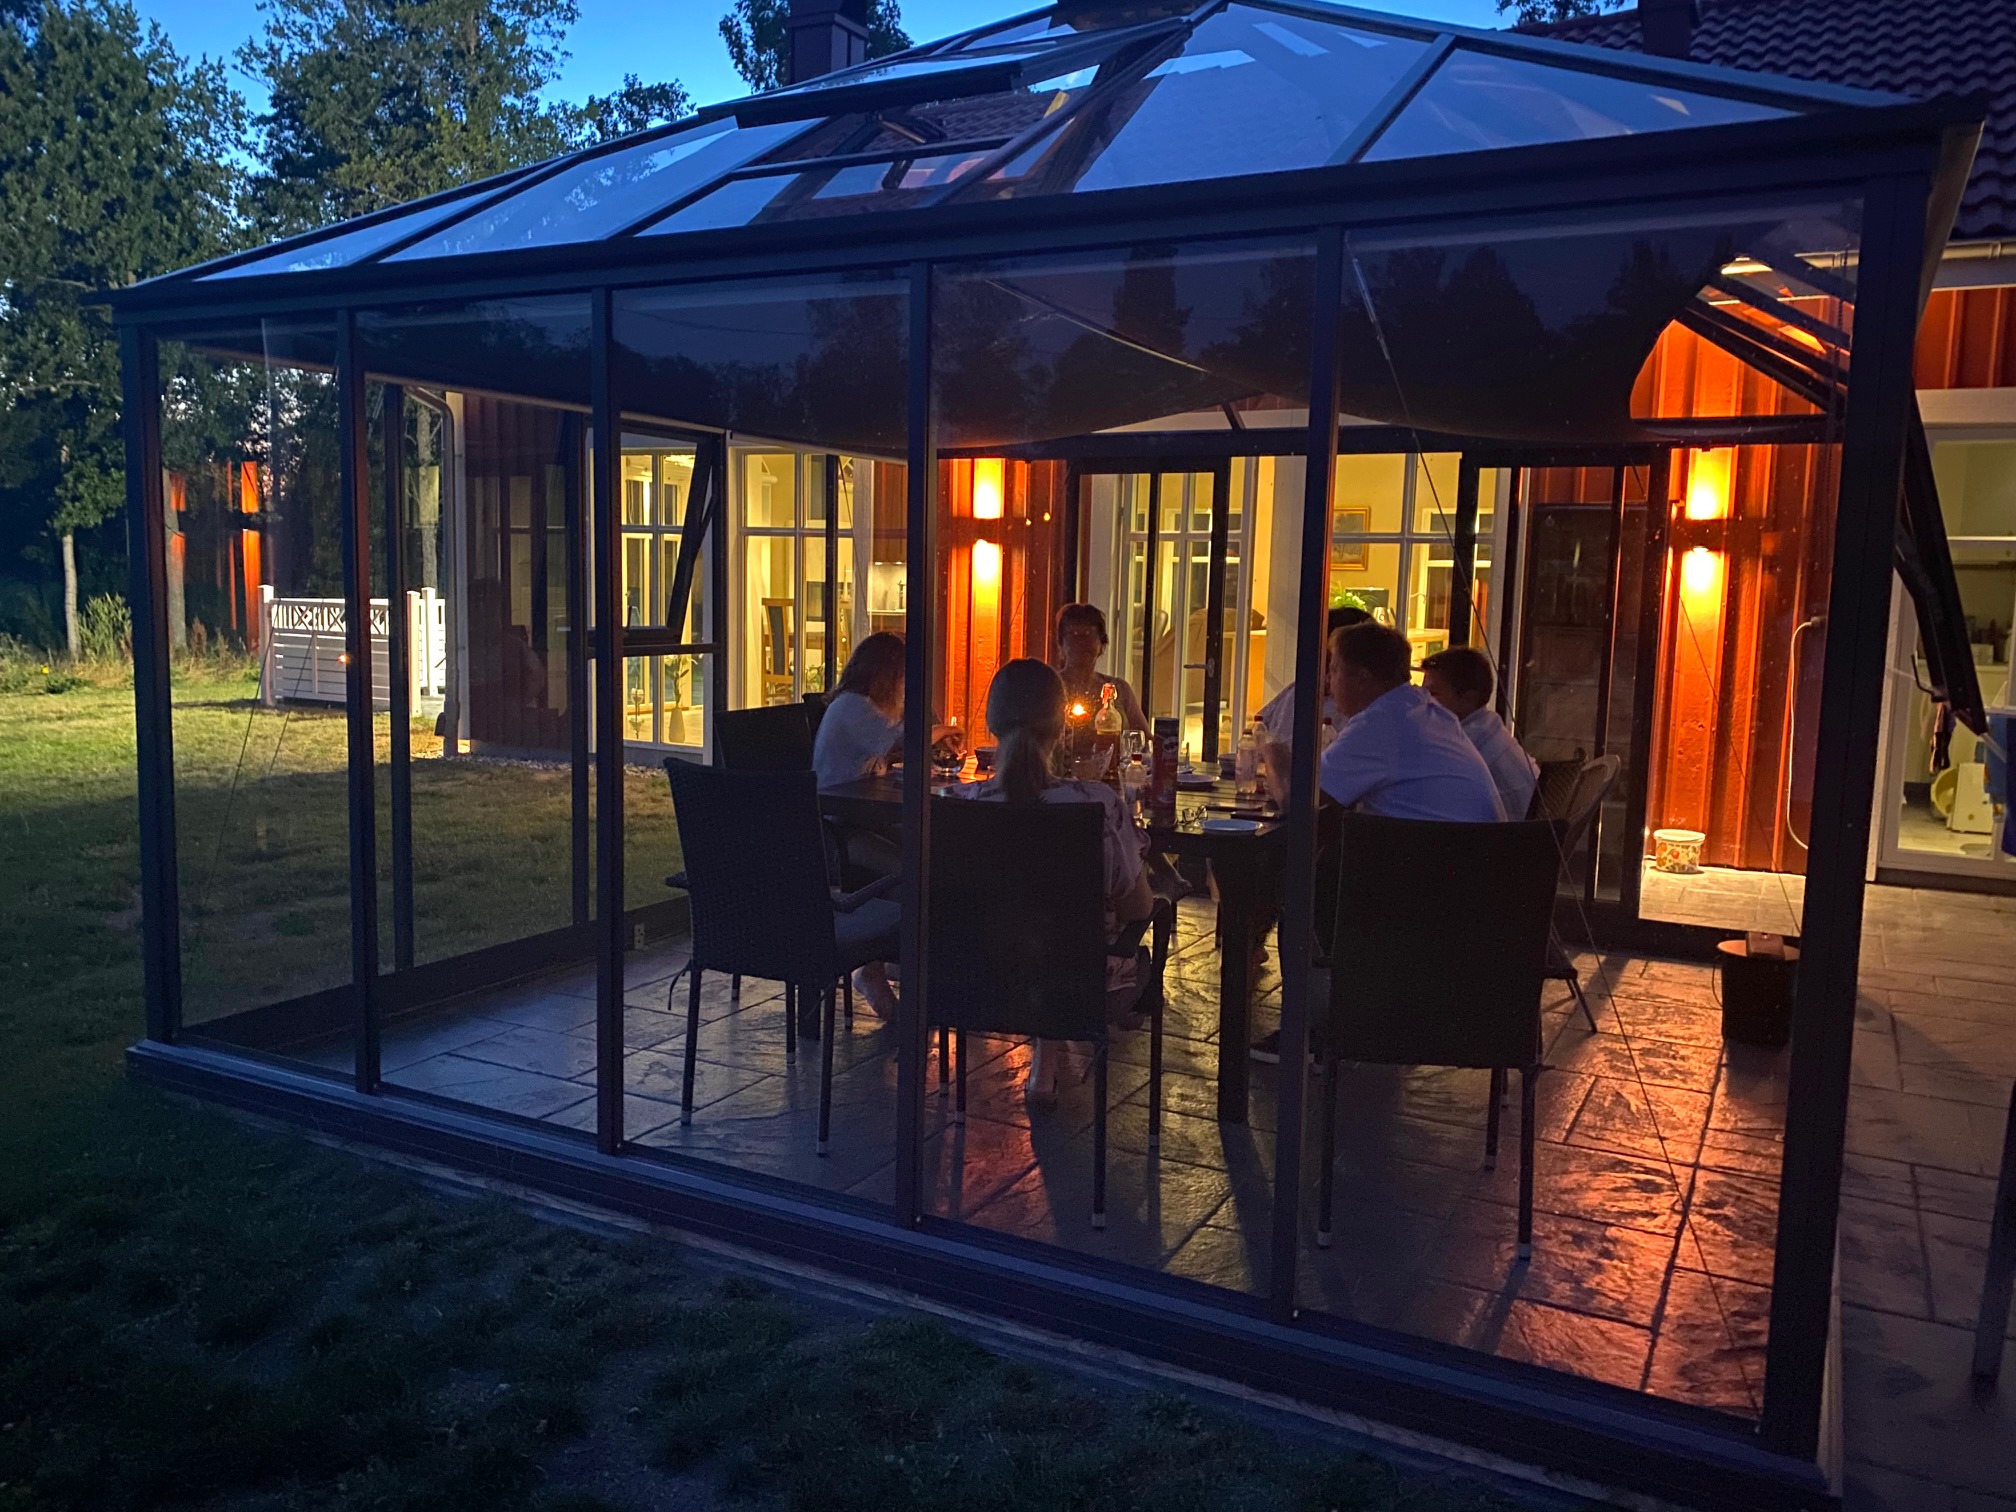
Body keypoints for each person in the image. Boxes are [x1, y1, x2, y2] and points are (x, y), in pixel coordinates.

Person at [1250, 622, 1501, 1064]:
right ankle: (1347, 1015)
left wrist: (1268, 746)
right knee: (1315, 864)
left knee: (1299, 886)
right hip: (1475, 881)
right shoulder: (1420, 709)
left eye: (1334, 670)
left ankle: (1306, 1035)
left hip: (1436, 900)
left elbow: (1297, 800)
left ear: (1362, 677)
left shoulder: (1382, 724)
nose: (1328, 682)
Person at [950, 659, 1156, 1105]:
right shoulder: (1096, 805)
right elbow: (1138, 908)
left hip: (983, 975)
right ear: (1061, 726)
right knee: (1078, 944)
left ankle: (1046, 1059)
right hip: (1081, 983)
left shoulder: (961, 805)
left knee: (1035, 936)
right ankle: (1049, 1056)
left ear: (991, 725)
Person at [1421, 645, 1540, 821]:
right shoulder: (1490, 729)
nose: (1424, 701)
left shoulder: (1465, 744)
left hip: (1505, 835)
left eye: (1433, 693)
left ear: (1469, 698)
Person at [812, 632, 906, 791]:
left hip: (855, 793)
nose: (904, 683)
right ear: (886, 677)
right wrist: (939, 732)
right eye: (902, 676)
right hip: (837, 798)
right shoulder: (851, 704)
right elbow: (900, 741)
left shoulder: (865, 704)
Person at [1052, 603, 1150, 735]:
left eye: (1088, 635)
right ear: (1060, 644)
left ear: (1102, 646)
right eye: (1073, 634)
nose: (1080, 642)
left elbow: (1145, 739)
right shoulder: (1049, 689)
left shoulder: (1118, 690)